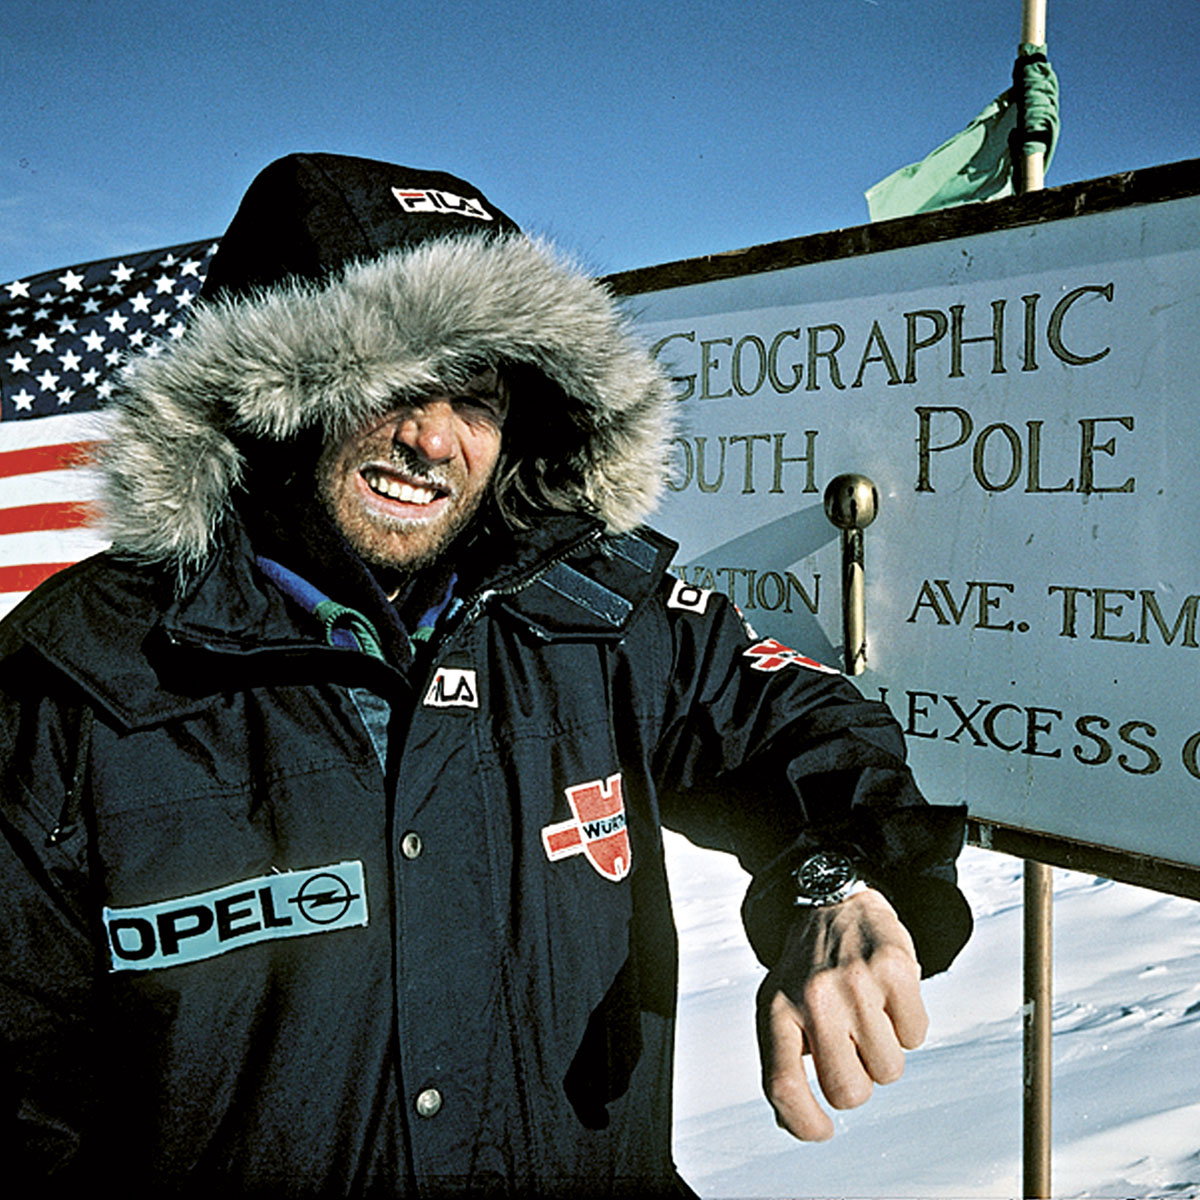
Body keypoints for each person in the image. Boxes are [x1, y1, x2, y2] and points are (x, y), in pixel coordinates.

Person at [0, 153, 971, 1198]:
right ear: (266, 397)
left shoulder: (598, 613)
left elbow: (799, 720)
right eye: (388, 384)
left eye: (474, 395)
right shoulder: (80, 676)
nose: (431, 438)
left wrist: (838, 877)